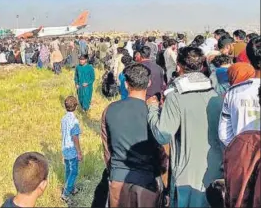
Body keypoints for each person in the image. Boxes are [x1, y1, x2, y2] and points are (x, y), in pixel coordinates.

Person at [147, 46, 224, 207]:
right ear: (202, 66)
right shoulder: (216, 95)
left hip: (186, 171)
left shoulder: (175, 97)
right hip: (215, 168)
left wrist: (153, 109)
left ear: (179, 67)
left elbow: (163, 134)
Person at [101, 64, 165, 207]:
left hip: (118, 178)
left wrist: (112, 173)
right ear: (149, 83)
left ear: (125, 83)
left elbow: (107, 150)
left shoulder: (109, 110)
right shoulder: (154, 114)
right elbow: (161, 151)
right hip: (146, 181)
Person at [218, 37, 261, 146]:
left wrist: (241, 150)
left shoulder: (233, 92)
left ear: (249, 59)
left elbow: (224, 134)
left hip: (243, 157)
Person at [60, 96, 82, 204]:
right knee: (74, 172)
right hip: (72, 150)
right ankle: (66, 193)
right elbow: (75, 138)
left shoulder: (63, 118)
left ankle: (72, 188)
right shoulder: (74, 121)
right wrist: (79, 152)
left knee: (68, 170)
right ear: (76, 107)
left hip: (64, 148)